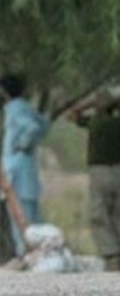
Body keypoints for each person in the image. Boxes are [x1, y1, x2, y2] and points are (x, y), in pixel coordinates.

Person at [0, 74, 51, 258]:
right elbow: (43, 125)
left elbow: (32, 127)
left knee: (19, 214)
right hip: (27, 166)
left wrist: (23, 143)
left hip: (16, 168)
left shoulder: (14, 109)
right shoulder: (26, 107)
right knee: (32, 213)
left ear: (4, 91)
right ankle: (38, 252)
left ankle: (25, 252)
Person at [69, 83, 120, 271]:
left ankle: (111, 254)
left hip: (99, 172)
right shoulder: (110, 122)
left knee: (99, 212)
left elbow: (72, 115)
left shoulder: (95, 122)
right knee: (116, 213)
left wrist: (88, 103)